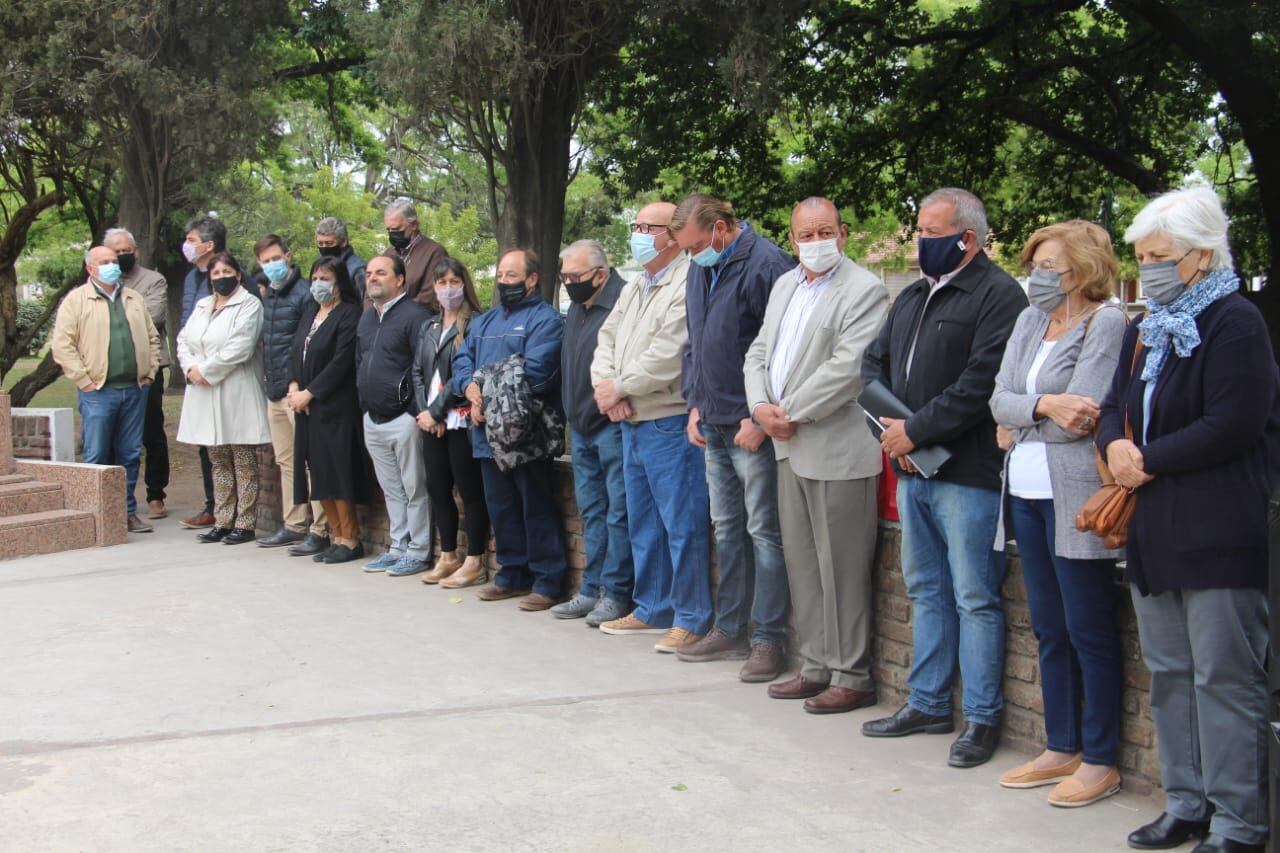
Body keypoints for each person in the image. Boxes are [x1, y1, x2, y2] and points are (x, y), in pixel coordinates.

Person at [1099, 187, 1278, 853]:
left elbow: (1232, 422)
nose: (1146, 267)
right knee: (1171, 672)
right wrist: (1114, 443)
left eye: (1159, 256)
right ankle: (1186, 801)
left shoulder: (1237, 322)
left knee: (1224, 678)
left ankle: (1238, 821)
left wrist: (1146, 456)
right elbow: (1118, 400)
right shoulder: (1150, 324)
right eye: (1142, 255)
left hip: (1219, 528)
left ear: (1201, 257)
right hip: (1156, 528)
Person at [860, 187, 1027, 768]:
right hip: (912, 469)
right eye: (921, 230)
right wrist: (897, 436)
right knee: (925, 589)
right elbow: (872, 366)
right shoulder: (909, 296)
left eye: (933, 233)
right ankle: (927, 701)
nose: (921, 241)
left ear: (968, 239)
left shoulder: (999, 296)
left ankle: (981, 719)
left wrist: (917, 432)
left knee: (975, 597)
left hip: (968, 474)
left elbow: (981, 385)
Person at [989, 220, 1128, 807]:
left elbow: (1087, 414)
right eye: (1036, 265)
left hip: (1075, 499)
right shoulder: (1027, 320)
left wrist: (1021, 416)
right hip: (1022, 492)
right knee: (1048, 625)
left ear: (1086, 270)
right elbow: (997, 397)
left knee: (1088, 628)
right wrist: (1043, 403)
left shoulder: (1108, 322)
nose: (1039, 276)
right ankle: (1060, 744)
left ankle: (1100, 758)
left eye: (1052, 267)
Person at [744, 197, 889, 712]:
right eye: (805, 235)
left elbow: (848, 369)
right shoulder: (786, 284)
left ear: (844, 234)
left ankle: (852, 673)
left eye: (824, 231)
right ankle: (816, 664)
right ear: (792, 239)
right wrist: (760, 406)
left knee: (842, 567)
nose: (815, 242)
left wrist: (788, 413)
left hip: (836, 445)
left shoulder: (865, 290)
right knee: (803, 562)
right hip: (788, 445)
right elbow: (759, 351)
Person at [666, 193, 795, 668]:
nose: (691, 254)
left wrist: (757, 414)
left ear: (721, 227)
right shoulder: (702, 268)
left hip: (749, 424)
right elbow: (695, 341)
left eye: (696, 244)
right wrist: (694, 402)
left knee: (764, 530)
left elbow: (780, 349)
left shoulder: (769, 265)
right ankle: (731, 627)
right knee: (728, 529)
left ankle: (768, 638)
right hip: (713, 420)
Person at [593, 203, 711, 641]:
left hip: (667, 419)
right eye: (636, 225)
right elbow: (607, 338)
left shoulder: (688, 280)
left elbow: (670, 353)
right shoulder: (636, 284)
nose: (639, 234)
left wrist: (621, 387)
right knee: (644, 523)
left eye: (649, 227)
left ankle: (691, 617)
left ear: (673, 235)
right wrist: (610, 389)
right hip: (631, 418)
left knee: (682, 524)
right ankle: (653, 606)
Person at [452, 248, 567, 611]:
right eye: (501, 275)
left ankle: (548, 581)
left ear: (532, 279)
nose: (504, 282)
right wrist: (469, 387)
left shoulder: (546, 320)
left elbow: (537, 372)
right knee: (500, 507)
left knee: (536, 507)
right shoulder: (483, 322)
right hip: (485, 432)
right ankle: (512, 575)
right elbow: (462, 359)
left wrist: (482, 388)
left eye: (511, 276)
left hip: (526, 435)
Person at [549, 240, 635, 623]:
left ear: (601, 273)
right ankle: (591, 588)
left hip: (612, 425)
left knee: (620, 514)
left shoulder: (623, 301)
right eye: (564, 275)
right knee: (592, 512)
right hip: (580, 427)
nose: (569, 282)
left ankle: (616, 594)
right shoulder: (576, 309)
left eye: (575, 276)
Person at [50, 245, 162, 534]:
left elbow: (152, 337)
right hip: (98, 392)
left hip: (135, 390)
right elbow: (63, 346)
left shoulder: (133, 298)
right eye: (105, 262)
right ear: (90, 269)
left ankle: (125, 513)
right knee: (97, 454)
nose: (113, 265)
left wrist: (149, 373)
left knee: (129, 455)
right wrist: (84, 380)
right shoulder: (76, 300)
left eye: (114, 261)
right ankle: (93, 515)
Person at [175, 252, 271, 545]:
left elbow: (239, 347)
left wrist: (205, 370)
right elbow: (183, 340)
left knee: (242, 459)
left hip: (235, 389)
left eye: (227, 271)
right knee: (218, 460)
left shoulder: (250, 304)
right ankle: (223, 519)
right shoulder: (203, 304)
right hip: (204, 391)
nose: (221, 278)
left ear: (239, 275)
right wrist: (191, 368)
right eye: (215, 274)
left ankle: (244, 522)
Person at [411, 257, 491, 589]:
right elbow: (417, 372)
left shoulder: (475, 324)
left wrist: (440, 412)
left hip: (460, 419)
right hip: (431, 419)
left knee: (469, 490)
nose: (447, 289)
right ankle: (448, 555)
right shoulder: (428, 327)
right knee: (438, 488)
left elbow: (468, 375)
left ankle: (475, 559)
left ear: (464, 284)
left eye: (454, 282)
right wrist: (427, 413)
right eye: (441, 283)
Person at [286, 257, 370, 564]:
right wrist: (295, 386)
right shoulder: (310, 312)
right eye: (315, 277)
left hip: (335, 407)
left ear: (339, 282)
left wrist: (311, 393)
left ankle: (350, 538)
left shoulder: (348, 314)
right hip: (306, 408)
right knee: (319, 474)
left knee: (338, 473)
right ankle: (335, 536)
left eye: (326, 278)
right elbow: (296, 349)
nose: (319, 283)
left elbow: (341, 362)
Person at [356, 254, 434, 576]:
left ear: (399, 279)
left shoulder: (415, 316)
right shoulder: (367, 318)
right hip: (372, 418)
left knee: (415, 487)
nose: (373, 278)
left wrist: (414, 411)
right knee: (392, 489)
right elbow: (359, 362)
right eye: (369, 273)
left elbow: (425, 367)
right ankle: (397, 546)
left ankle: (417, 551)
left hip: (404, 419)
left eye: (381, 273)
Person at [253, 234, 330, 556]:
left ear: (288, 255)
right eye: (265, 261)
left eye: (276, 258)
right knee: (286, 461)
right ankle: (294, 523)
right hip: (273, 390)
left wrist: (296, 384)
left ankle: (320, 527)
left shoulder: (304, 294)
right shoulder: (269, 294)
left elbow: (303, 344)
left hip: (295, 391)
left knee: (310, 461)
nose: (272, 265)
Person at [104, 227, 172, 521]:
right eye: (116, 252)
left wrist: (114, 315)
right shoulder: (100, 280)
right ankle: (114, 497)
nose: (122, 256)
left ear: (136, 251)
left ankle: (156, 494)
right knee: (111, 436)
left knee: (151, 432)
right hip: (109, 370)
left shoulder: (153, 280)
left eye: (126, 250)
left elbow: (152, 318)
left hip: (148, 368)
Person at [177, 215, 225, 530]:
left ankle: (222, 507)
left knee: (221, 445)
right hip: (194, 370)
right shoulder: (191, 278)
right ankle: (211, 504)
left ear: (209, 245)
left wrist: (206, 368)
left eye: (192, 240)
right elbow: (186, 324)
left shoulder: (225, 276)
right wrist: (189, 366)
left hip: (217, 374)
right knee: (203, 444)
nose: (187, 245)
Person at [383, 198, 447, 312]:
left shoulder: (435, 252)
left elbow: (430, 295)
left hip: (417, 322)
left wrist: (397, 315)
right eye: (388, 230)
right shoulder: (388, 254)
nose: (392, 234)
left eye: (396, 229)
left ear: (413, 225)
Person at [316, 216, 367, 303]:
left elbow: (365, 303)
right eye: (320, 243)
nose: (324, 247)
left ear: (343, 242)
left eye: (329, 243)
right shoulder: (319, 265)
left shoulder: (358, 269)